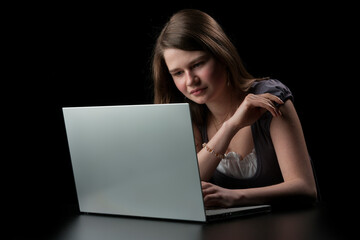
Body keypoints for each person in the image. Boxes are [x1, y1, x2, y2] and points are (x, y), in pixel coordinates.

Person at [152, 9, 318, 208]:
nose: (190, 81)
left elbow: (306, 188)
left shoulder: (269, 97)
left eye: (197, 64)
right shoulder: (190, 114)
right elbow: (185, 189)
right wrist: (231, 126)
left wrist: (235, 197)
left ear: (221, 55)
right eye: (178, 73)